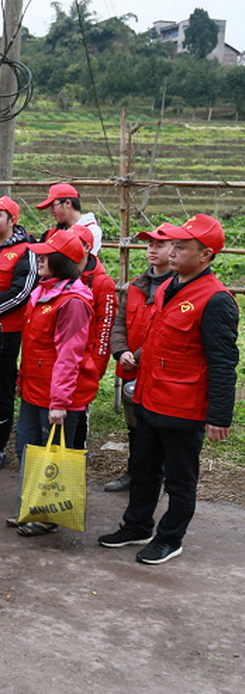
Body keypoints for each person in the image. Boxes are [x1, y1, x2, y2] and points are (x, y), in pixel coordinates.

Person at [99, 215, 239, 565]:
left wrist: (219, 415)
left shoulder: (216, 300)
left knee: (179, 478)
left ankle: (170, 537)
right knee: (144, 469)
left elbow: (223, 363)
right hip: (149, 397)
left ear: (205, 255)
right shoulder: (166, 287)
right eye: (171, 245)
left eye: (181, 246)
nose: (171, 252)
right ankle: (136, 526)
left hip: (183, 406)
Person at [7, 230, 98, 537]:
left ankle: (47, 515)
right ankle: (31, 505)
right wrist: (22, 377)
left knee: (53, 453)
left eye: (47, 255)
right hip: (35, 388)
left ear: (64, 261)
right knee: (28, 448)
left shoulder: (72, 302)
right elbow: (33, 345)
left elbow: (69, 356)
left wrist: (59, 403)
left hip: (57, 396)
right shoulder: (45, 292)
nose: (40, 259)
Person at [105, 223, 174, 492]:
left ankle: (159, 476)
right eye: (150, 244)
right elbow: (120, 322)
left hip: (157, 371)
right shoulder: (136, 284)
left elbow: (164, 331)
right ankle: (135, 473)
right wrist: (120, 351)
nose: (152, 250)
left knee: (157, 426)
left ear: (174, 249)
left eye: (160, 245)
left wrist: (138, 355)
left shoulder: (177, 288)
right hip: (131, 370)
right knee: (134, 427)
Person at [0, 196, 37, 471]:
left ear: (12, 221)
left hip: (6, 332)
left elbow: (22, 293)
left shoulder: (27, 251)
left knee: (2, 390)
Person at [71, 223, 117, 449]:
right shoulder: (60, 274)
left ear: (88, 247)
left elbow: (105, 328)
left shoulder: (102, 283)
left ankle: (77, 454)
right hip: (61, 360)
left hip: (86, 361)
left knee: (79, 412)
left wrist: (96, 368)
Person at [36, 182, 103, 255]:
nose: (52, 212)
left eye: (53, 206)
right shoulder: (53, 233)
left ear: (68, 203)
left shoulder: (92, 231)